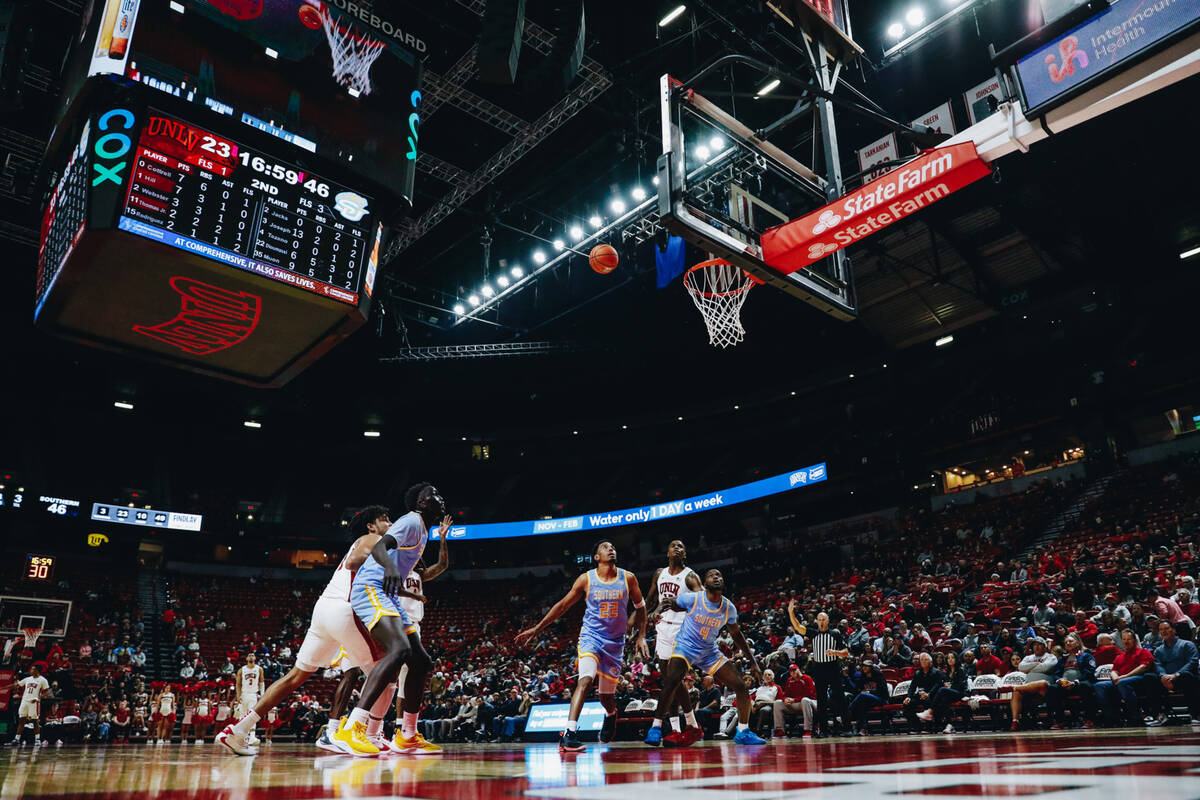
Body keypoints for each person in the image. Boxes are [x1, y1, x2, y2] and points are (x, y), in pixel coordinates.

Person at [338, 484, 448, 756]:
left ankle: (408, 735)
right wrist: (389, 569)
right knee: (399, 650)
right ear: (421, 502)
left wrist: (403, 588)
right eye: (433, 494)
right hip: (370, 589)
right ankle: (353, 726)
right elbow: (380, 548)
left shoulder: (424, 529)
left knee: (421, 661)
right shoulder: (411, 520)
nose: (440, 498)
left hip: (388, 595)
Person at [516, 540, 648, 753]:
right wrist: (537, 628)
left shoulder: (628, 578)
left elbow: (641, 608)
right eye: (605, 547)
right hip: (591, 637)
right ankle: (569, 734)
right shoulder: (586, 579)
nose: (611, 549)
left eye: (613, 546)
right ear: (596, 557)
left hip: (615, 644)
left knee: (606, 698)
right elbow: (562, 606)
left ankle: (611, 715)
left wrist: (641, 636)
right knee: (585, 680)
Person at [645, 568, 765, 746]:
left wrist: (753, 663)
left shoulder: (728, 608)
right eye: (712, 575)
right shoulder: (694, 598)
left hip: (708, 651)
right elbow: (669, 602)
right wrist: (657, 611)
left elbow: (737, 636)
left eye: (719, 575)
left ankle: (743, 731)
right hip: (686, 646)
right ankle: (656, 727)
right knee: (671, 680)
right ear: (704, 582)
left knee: (740, 685)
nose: (716, 577)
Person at [641, 540, 702, 745]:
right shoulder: (660, 574)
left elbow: (704, 602)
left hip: (683, 630)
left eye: (681, 546)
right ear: (667, 552)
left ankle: (690, 725)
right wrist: (640, 617)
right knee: (669, 681)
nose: (677, 548)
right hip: (663, 628)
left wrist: (680, 605)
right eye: (673, 545)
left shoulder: (690, 576)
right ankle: (677, 729)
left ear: (685, 554)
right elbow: (649, 600)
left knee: (673, 679)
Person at [395, 532, 451, 718]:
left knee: (408, 676)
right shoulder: (395, 569)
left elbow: (442, 565)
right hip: (396, 622)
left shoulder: (418, 574)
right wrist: (415, 596)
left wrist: (442, 539)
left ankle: (400, 727)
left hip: (413, 626)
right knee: (390, 674)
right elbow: (393, 588)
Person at [788, 603, 850, 737]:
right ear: (817, 621)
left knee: (840, 698)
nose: (821, 622)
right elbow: (798, 627)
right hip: (819, 668)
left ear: (828, 621)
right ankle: (823, 730)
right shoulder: (813, 632)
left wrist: (835, 652)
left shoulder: (835, 633)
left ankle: (847, 728)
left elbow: (846, 652)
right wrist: (790, 612)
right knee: (821, 701)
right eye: (819, 619)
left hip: (833, 667)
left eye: (824, 619)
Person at [1094, 629, 1160, 727]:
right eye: (1124, 639)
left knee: (1123, 683)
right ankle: (1112, 718)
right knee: (1099, 685)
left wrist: (1125, 677)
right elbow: (1114, 670)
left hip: (1139, 680)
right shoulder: (1120, 656)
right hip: (1121, 681)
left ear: (1135, 641)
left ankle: (1135, 716)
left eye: (1129, 639)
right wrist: (1115, 677)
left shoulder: (1143, 652)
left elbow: (1144, 667)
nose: (1126, 642)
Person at [1151, 618, 1199, 725]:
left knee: (1187, 676)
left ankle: (1195, 715)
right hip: (1167, 680)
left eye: (1167, 628)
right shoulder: (1158, 650)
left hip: (1183, 677)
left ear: (1173, 630)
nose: (1164, 631)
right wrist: (1163, 676)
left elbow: (1193, 662)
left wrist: (1176, 675)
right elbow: (1158, 665)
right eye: (1161, 629)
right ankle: (1161, 715)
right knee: (1149, 678)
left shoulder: (1187, 644)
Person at [1045, 633, 1098, 729]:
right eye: (1066, 642)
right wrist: (1060, 680)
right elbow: (1056, 673)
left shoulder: (1086, 656)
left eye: (1070, 641)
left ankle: (1089, 720)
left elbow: (1089, 672)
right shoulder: (1063, 658)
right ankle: (1060, 720)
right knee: (1052, 688)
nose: (1068, 643)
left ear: (1077, 643)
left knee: (1085, 686)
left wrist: (1075, 682)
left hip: (1079, 683)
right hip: (1065, 684)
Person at [1007, 637, 1058, 730]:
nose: (1036, 647)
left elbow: (1046, 668)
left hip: (1045, 688)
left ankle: (1016, 687)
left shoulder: (1051, 657)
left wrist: (1029, 667)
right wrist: (1037, 664)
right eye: (1034, 645)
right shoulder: (1028, 657)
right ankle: (1015, 721)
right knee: (1016, 693)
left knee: (1042, 683)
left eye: (1039, 645)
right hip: (1029, 690)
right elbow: (1021, 667)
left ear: (1044, 646)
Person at [923, 650, 968, 734]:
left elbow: (962, 685)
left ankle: (930, 712)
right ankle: (949, 725)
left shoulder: (961, 670)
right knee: (943, 699)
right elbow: (944, 683)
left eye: (952, 658)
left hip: (960, 693)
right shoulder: (946, 672)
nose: (950, 659)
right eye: (948, 658)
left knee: (942, 690)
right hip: (949, 694)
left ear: (956, 659)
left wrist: (950, 687)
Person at [5, 664, 49, 745]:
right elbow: (16, 685)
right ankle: (16, 739)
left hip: (34, 702)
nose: (30, 671)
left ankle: (37, 739)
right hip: (24, 701)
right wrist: (4, 688)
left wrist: (38, 698)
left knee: (35, 721)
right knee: (21, 720)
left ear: (37, 671)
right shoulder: (27, 679)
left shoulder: (43, 680)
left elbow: (47, 692)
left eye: (33, 669)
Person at [903, 653, 945, 733]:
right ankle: (917, 727)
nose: (924, 661)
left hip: (933, 695)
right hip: (921, 695)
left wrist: (928, 694)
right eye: (922, 660)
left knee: (928, 702)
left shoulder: (937, 672)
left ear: (930, 661)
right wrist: (908, 697)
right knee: (907, 704)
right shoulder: (917, 673)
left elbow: (937, 686)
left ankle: (928, 728)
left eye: (926, 659)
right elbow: (912, 687)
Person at [774, 662, 818, 737]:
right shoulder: (789, 680)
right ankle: (780, 730)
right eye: (791, 671)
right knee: (777, 703)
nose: (793, 672)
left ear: (799, 670)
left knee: (805, 700)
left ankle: (808, 729)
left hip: (810, 702)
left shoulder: (807, 678)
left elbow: (809, 695)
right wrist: (785, 699)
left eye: (794, 670)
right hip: (796, 703)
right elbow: (785, 694)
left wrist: (794, 700)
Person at [847, 659, 887, 735]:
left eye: (866, 666)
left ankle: (848, 712)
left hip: (880, 699)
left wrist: (870, 692)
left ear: (871, 667)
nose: (864, 668)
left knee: (863, 696)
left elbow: (884, 692)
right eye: (863, 666)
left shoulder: (879, 675)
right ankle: (863, 729)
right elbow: (856, 689)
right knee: (861, 705)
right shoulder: (863, 676)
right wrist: (847, 678)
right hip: (867, 700)